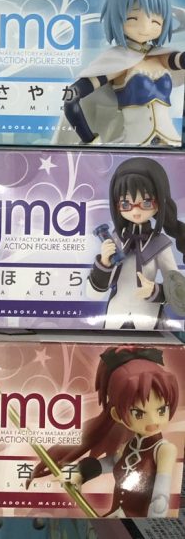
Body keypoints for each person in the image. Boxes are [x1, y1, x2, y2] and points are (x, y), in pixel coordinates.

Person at [29, 346, 180, 517]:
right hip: (115, 517)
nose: (153, 421)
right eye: (138, 413)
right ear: (117, 415)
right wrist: (80, 472)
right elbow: (110, 463)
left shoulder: (164, 450)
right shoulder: (130, 446)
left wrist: (150, 526)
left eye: (161, 410)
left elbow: (160, 499)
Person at [61, 0, 185, 146]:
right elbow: (71, 98)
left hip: (171, 142)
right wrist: (90, 141)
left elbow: (179, 60)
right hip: (134, 145)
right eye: (133, 18)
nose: (145, 27)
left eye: (155, 20)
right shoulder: (116, 62)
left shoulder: (161, 57)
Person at [88, 158, 185, 328]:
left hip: (149, 318)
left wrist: (155, 291)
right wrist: (104, 263)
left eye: (146, 203)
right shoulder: (114, 240)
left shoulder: (160, 244)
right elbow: (93, 293)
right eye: (126, 204)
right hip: (114, 316)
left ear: (160, 202)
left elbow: (178, 292)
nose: (135, 211)